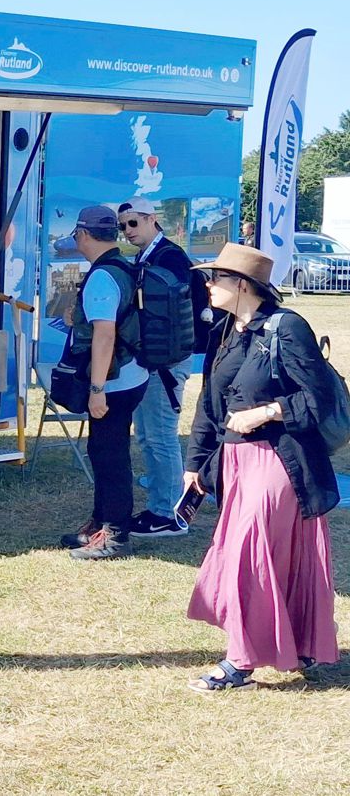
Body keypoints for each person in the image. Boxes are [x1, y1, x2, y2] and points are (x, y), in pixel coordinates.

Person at [182, 243, 340, 691]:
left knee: (250, 557)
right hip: (235, 460)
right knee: (251, 554)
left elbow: (318, 399)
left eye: (216, 278)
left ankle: (240, 662)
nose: (208, 286)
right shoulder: (227, 331)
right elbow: (209, 405)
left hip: (280, 461)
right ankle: (290, 643)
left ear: (243, 285)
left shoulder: (287, 328)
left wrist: (268, 411)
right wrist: (195, 463)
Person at [56, 206, 149, 559]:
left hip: (113, 382)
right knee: (103, 451)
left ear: (83, 235)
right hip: (132, 375)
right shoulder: (123, 267)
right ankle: (99, 525)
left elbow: (105, 336)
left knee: (110, 456)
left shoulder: (101, 276)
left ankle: (115, 535)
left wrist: (96, 390)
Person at [115, 197, 210, 539]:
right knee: (149, 435)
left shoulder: (169, 257)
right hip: (154, 359)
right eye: (122, 226)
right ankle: (161, 507)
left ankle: (168, 513)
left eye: (133, 223)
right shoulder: (152, 256)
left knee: (159, 435)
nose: (127, 231)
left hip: (166, 361)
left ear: (152, 219)